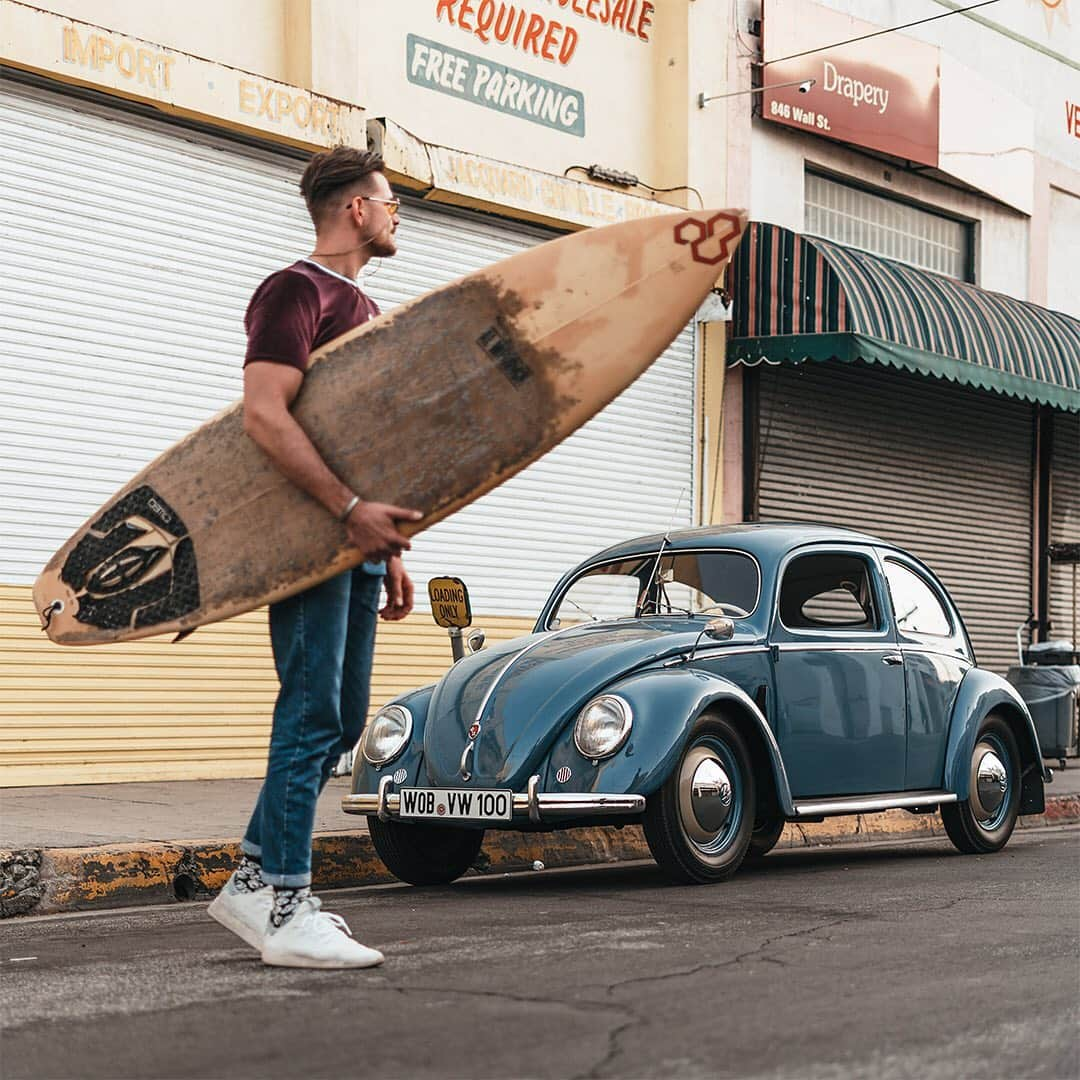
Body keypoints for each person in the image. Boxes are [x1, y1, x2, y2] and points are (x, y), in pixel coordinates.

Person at [207, 146, 420, 969]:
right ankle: (288, 904)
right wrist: (345, 511)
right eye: (390, 200)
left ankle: (253, 883)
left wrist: (389, 548)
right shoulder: (294, 289)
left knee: (338, 720)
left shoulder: (362, 305)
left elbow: (353, 442)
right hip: (305, 542)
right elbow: (265, 415)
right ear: (355, 210)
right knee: (308, 712)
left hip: (356, 550)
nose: (399, 213)